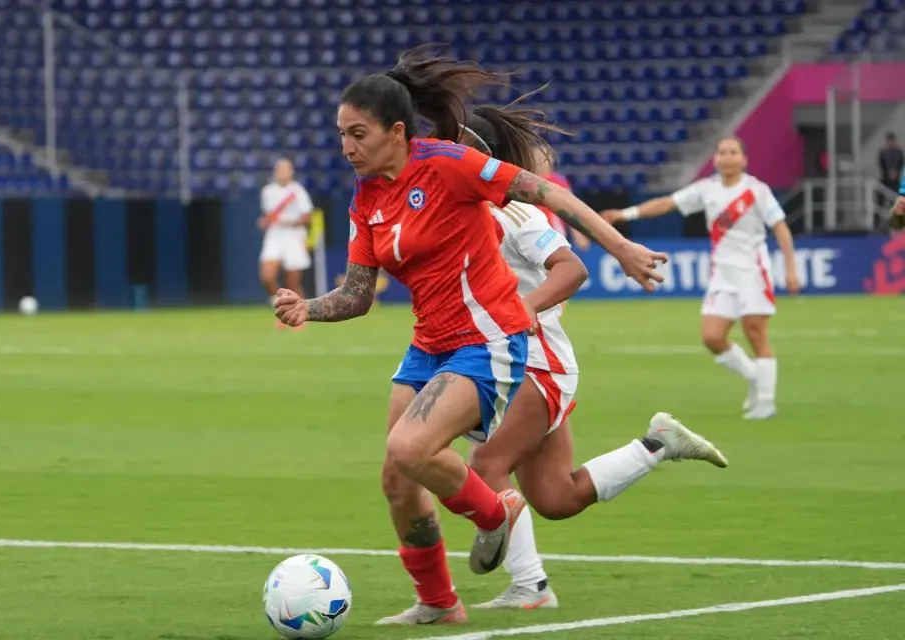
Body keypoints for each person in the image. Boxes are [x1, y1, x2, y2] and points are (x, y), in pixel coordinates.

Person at [274, 45, 667, 622]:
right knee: (397, 477)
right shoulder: (367, 196)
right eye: (341, 135)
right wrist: (307, 307)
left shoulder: (449, 164)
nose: (347, 147)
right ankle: (438, 603)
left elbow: (548, 193)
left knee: (409, 447)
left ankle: (497, 513)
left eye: (358, 134)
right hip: (428, 345)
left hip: (487, 340)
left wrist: (621, 246)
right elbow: (358, 294)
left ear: (397, 131)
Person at [372, 104, 728, 620]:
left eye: (452, 144)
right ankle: (656, 445)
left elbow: (571, 268)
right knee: (557, 497)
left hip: (536, 363)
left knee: (486, 466)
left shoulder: (515, 212)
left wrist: (524, 308)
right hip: (497, 357)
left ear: (477, 154)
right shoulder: (451, 207)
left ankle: (529, 584)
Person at [603, 137, 799, 420]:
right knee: (712, 337)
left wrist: (791, 268)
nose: (727, 157)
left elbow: (780, 228)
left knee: (755, 333)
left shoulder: (757, 191)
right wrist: (625, 213)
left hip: (753, 273)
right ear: (715, 159)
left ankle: (766, 403)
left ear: (743, 159)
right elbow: (667, 203)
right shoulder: (706, 189)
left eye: (733, 152)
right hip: (722, 275)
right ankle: (754, 377)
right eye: (722, 152)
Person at [258, 158, 314, 325]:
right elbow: (269, 215)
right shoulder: (267, 191)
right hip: (274, 236)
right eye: (279, 169)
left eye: (285, 169)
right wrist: (265, 221)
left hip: (294, 237)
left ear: (291, 172)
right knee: (267, 276)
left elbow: (308, 217)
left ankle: (299, 317)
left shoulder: (298, 191)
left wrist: (288, 223)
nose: (282, 173)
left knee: (293, 282)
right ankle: (282, 307)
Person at [879, 132, 904, 210]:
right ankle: (877, 216)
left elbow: (901, 164)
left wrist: (896, 173)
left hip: (896, 180)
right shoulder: (883, 152)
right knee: (881, 197)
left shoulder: (899, 152)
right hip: (886, 179)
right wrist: (888, 173)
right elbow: (881, 164)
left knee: (897, 198)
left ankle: (896, 213)